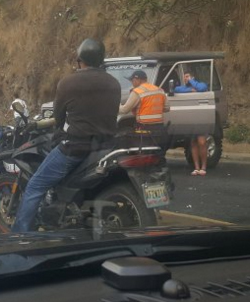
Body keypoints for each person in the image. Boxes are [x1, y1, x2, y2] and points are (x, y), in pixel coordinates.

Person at [11, 39, 120, 232]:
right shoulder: (114, 83)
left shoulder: (68, 83)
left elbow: (58, 120)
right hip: (106, 147)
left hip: (76, 149)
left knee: (35, 186)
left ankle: (20, 236)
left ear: (80, 60)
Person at [118, 69, 167, 147]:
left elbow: (124, 110)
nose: (132, 83)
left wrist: (117, 104)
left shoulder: (137, 91)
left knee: (143, 152)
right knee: (157, 151)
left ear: (137, 80)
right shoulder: (160, 90)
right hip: (159, 128)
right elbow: (166, 108)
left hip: (144, 129)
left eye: (132, 80)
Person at [174, 72, 210, 176]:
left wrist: (191, 81)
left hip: (201, 117)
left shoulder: (200, 84)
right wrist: (190, 89)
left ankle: (204, 166)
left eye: (188, 76)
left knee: (202, 142)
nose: (186, 78)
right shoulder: (182, 88)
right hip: (190, 118)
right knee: (193, 143)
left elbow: (202, 88)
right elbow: (177, 90)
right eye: (185, 77)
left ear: (193, 77)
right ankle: (196, 167)